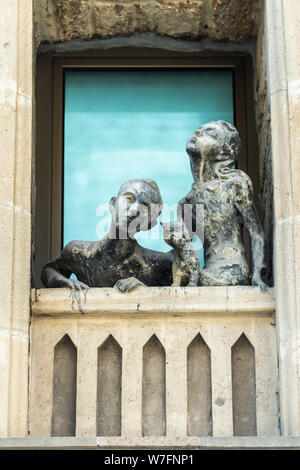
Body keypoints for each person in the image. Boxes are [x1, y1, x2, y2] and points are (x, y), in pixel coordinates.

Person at [178, 120, 267, 289]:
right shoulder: (186, 202)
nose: (198, 133)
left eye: (210, 134)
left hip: (232, 270)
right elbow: (184, 250)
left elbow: (256, 233)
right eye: (198, 130)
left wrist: (257, 275)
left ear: (223, 154)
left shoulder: (235, 183)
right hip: (205, 273)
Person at [41, 179, 173, 293]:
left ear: (150, 224)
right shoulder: (78, 253)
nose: (133, 210)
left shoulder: (158, 265)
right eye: (129, 198)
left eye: (144, 207)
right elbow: (49, 270)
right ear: (112, 204)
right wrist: (61, 281)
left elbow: (187, 286)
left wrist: (146, 292)